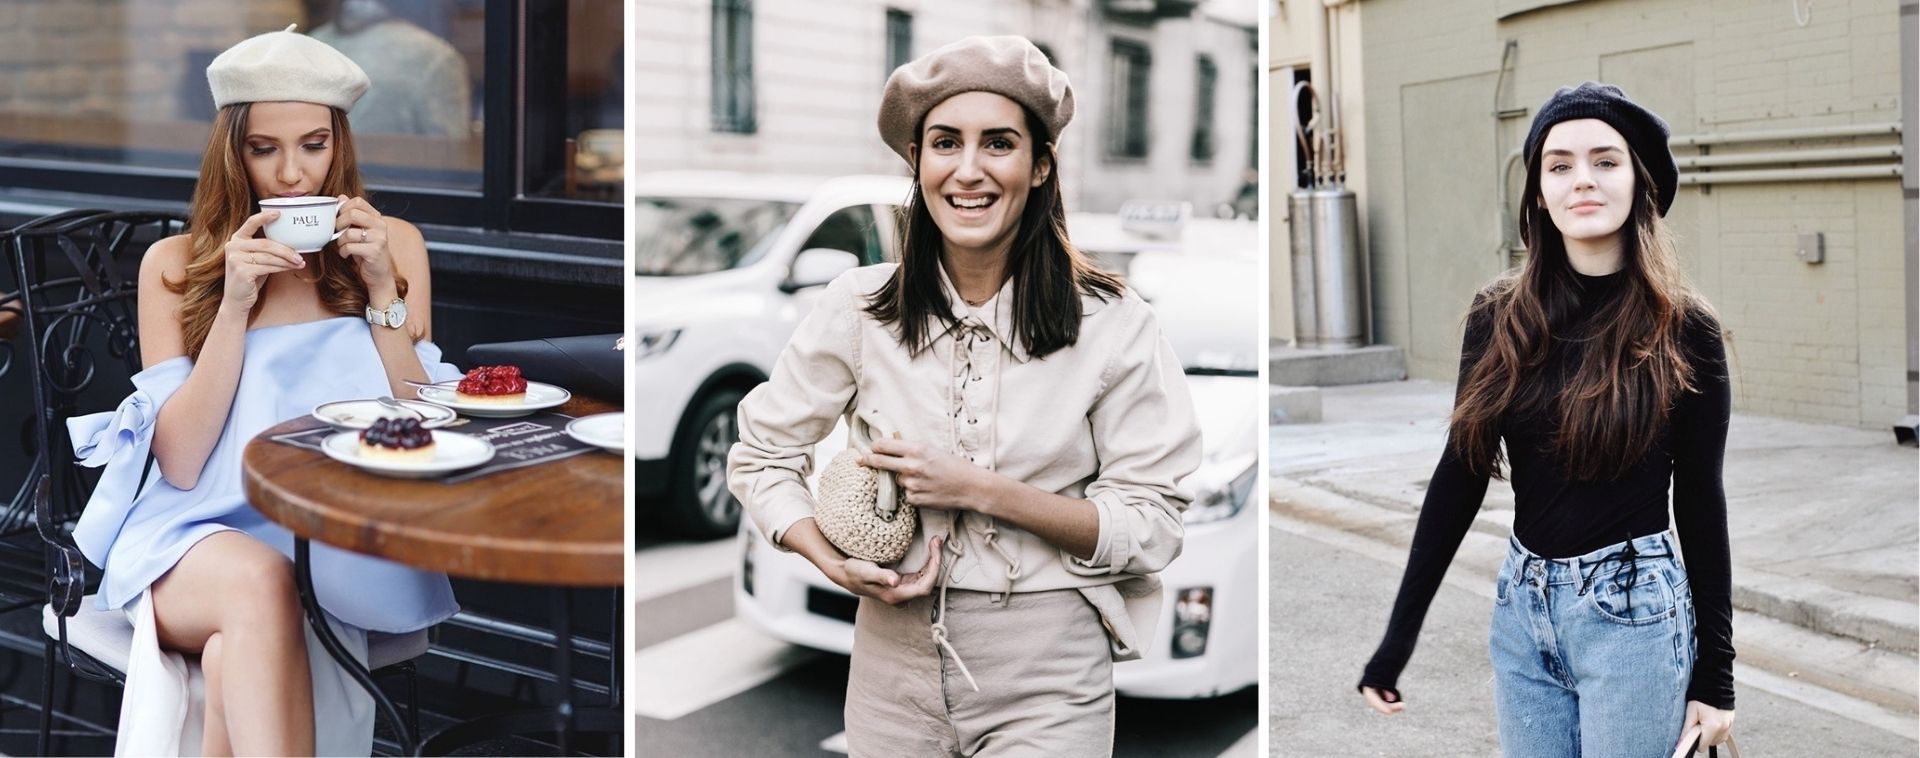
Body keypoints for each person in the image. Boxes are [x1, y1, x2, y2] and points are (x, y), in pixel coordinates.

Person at [727, 36, 1202, 758]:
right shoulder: (859, 307)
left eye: (999, 143)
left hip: (1050, 673)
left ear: (1040, 165)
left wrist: (981, 489)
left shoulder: (1113, 323)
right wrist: (827, 557)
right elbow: (762, 455)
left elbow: (1155, 523)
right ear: (917, 162)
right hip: (890, 668)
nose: (969, 170)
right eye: (945, 143)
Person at [66, 26, 460, 756]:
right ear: (232, 152)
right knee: (263, 583)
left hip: (337, 541)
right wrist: (236, 305)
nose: (291, 175)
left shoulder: (393, 244)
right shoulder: (176, 265)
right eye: (264, 148)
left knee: (231, 663)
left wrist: (381, 293)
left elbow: (427, 419)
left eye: (313, 145)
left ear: (340, 144)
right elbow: (180, 463)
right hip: (192, 541)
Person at [1356, 82, 1736, 757]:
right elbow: (1461, 474)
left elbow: (1701, 500)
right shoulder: (1498, 316)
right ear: (1537, 193)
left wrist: (1718, 680)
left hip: (1636, 617)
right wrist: (1397, 639)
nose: (1581, 180)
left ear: (1640, 183)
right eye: (1558, 165)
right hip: (1522, 608)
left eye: (1605, 161)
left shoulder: (1685, 328)